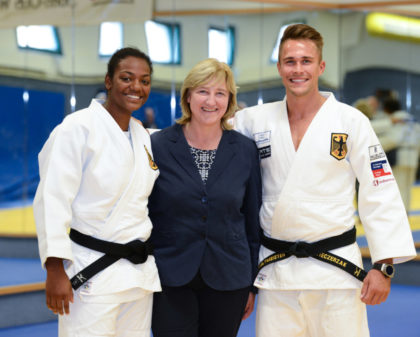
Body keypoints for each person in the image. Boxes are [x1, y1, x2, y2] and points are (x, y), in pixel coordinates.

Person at [234, 24, 416, 337]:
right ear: (279, 67)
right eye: (290, 61)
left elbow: (380, 190)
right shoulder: (252, 121)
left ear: (321, 66)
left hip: (336, 273)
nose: (297, 69)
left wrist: (384, 266)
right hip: (276, 274)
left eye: (306, 61)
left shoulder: (350, 121)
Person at [33, 47, 161, 337]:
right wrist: (54, 268)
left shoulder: (143, 135)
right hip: (91, 272)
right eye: (126, 78)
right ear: (108, 81)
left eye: (144, 80)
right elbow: (52, 198)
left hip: (137, 275)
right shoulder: (76, 129)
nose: (136, 87)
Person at [148, 58, 262, 337]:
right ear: (188, 96)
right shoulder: (158, 145)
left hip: (229, 277)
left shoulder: (245, 150)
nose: (211, 101)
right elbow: (146, 211)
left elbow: (252, 221)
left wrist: (251, 285)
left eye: (220, 93)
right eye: (202, 91)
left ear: (229, 100)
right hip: (170, 277)